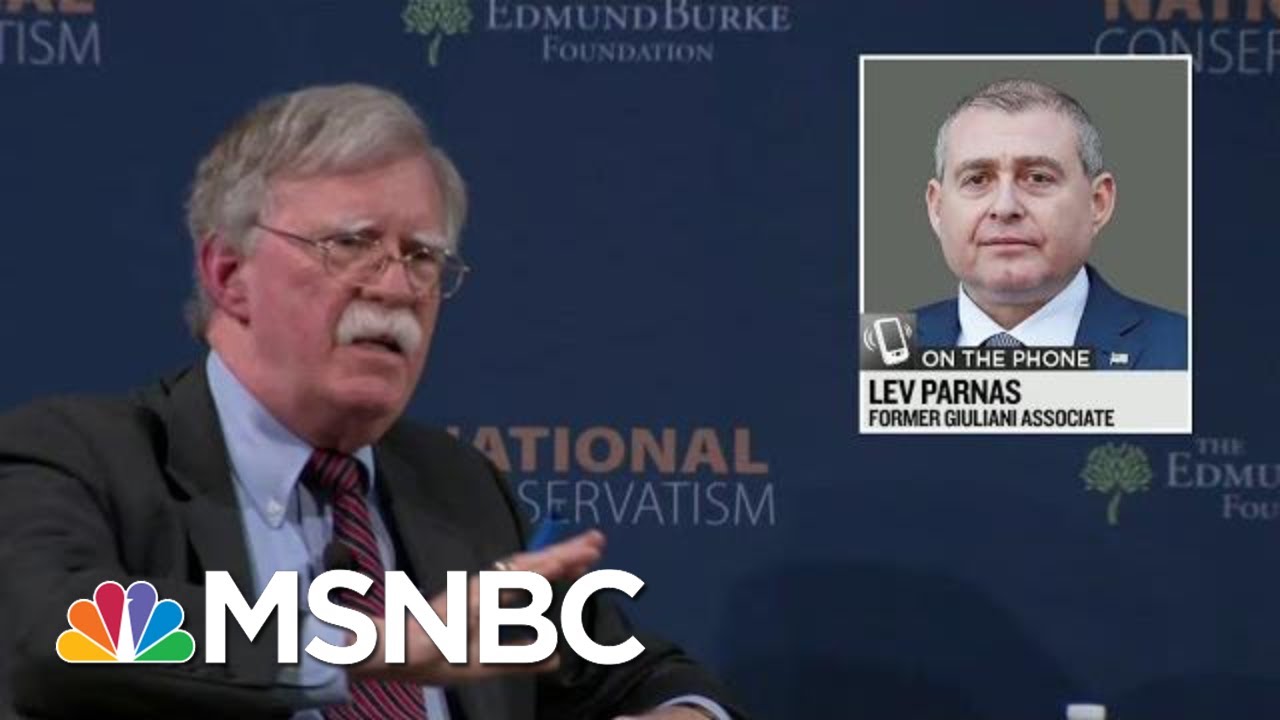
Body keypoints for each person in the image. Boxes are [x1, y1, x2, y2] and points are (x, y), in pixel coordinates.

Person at [0, 83, 742, 719]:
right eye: (350, 245)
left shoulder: (458, 489)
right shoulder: (82, 458)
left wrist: (679, 712)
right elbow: (66, 633)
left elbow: (638, 674)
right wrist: (363, 643)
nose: (396, 288)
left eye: (421, 256)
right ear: (229, 274)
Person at [915, 78, 1187, 370]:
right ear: (937, 208)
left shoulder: (1186, 350)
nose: (1005, 207)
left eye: (1038, 178)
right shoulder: (889, 349)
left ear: (1098, 202)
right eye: (977, 179)